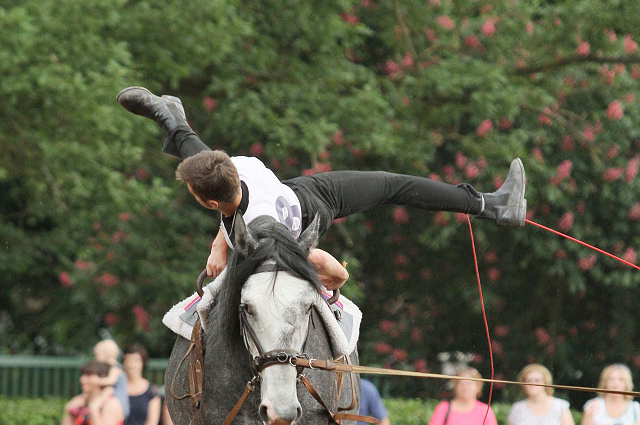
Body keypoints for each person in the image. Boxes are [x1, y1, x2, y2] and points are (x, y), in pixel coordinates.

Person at [116, 87, 527, 283]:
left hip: (307, 201)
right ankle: (172, 119)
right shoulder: (233, 171)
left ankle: (494, 207)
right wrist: (219, 242)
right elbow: (221, 195)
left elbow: (330, 268)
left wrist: (333, 287)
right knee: (392, 184)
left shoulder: (247, 213)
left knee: (393, 187)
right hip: (300, 200)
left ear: (209, 203)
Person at [93, 339, 130, 420]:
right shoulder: (108, 367)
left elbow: (111, 380)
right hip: (113, 399)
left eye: (97, 354)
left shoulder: (115, 367)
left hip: (119, 400)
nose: (96, 357)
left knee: (108, 390)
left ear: (106, 354)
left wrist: (96, 381)